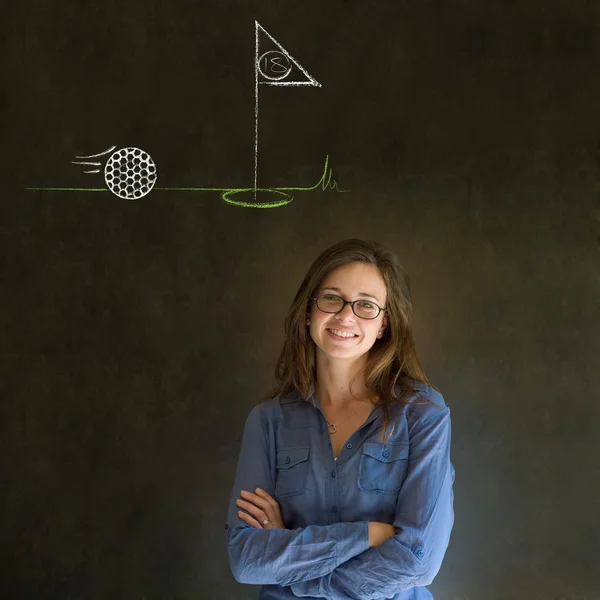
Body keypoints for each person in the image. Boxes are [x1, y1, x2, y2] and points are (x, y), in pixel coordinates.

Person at [225, 238, 455, 600]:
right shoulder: (267, 421)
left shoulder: (423, 413)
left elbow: (418, 560)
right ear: (308, 311)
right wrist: (367, 534)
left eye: (366, 305)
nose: (346, 316)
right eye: (332, 298)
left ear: (384, 324)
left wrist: (295, 570)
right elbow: (247, 560)